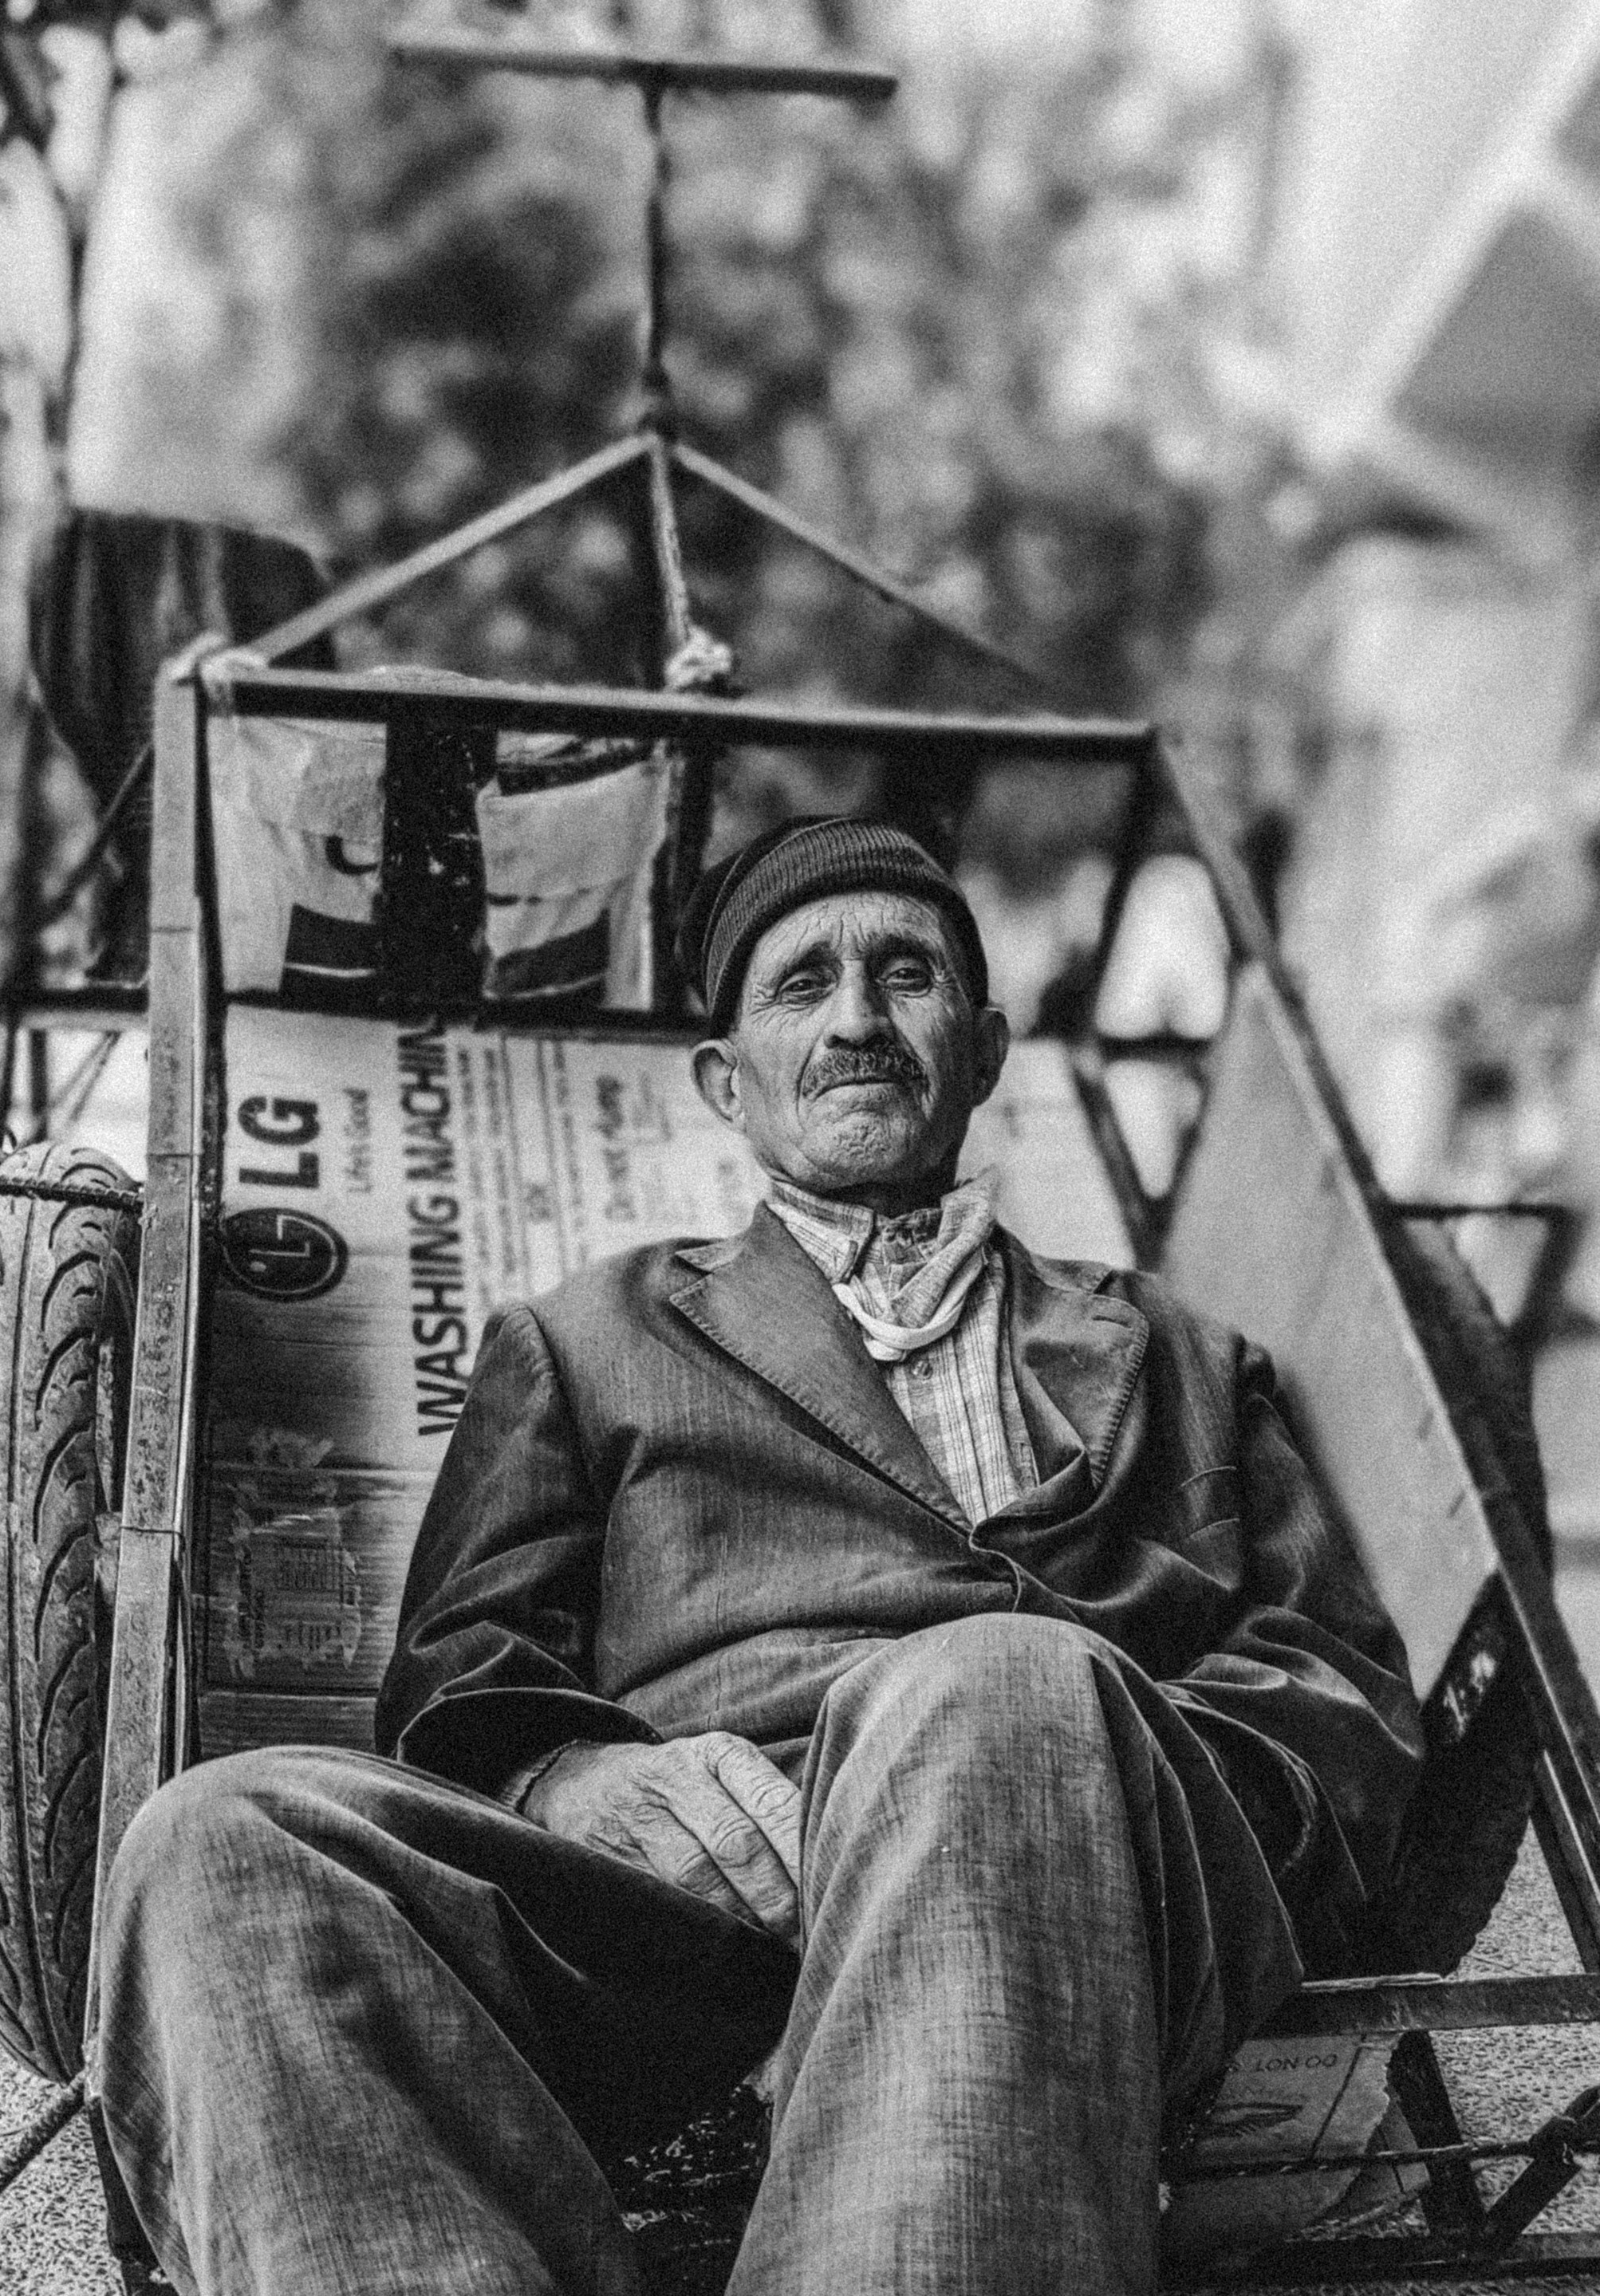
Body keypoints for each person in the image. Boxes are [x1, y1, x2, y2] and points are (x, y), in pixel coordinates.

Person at [97, 817, 1423, 2296]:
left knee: (993, 1690)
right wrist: (574, 1781)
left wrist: (1089, 1774)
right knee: (220, 1841)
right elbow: (463, 1676)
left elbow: (1335, 1686)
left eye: (903, 974)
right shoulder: (588, 1339)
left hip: (1069, 1866)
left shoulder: (1178, 1350)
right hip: (696, 1907)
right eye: (802, 986)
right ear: (729, 1083)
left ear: (984, 1052)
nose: (857, 1018)